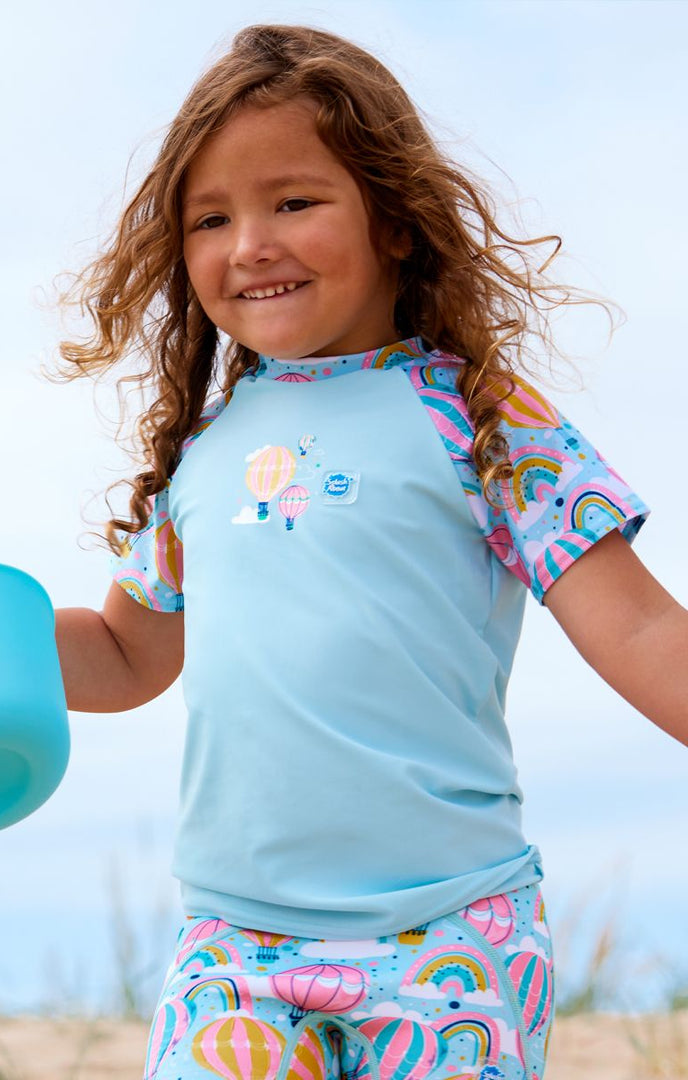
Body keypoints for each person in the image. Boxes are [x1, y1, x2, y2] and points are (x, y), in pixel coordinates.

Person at [48, 24, 687, 1080]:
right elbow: (125, 655)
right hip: (235, 945)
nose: (250, 241)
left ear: (395, 220)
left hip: (452, 937)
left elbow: (644, 626)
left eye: (293, 201)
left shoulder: (478, 418)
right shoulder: (201, 458)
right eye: (212, 218)